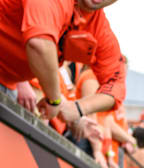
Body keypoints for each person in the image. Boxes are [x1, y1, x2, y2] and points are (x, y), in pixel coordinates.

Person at [0, 0, 125, 129]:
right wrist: (54, 100)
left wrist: (76, 108)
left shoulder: (99, 27)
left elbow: (116, 86)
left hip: (9, 85)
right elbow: (39, 44)